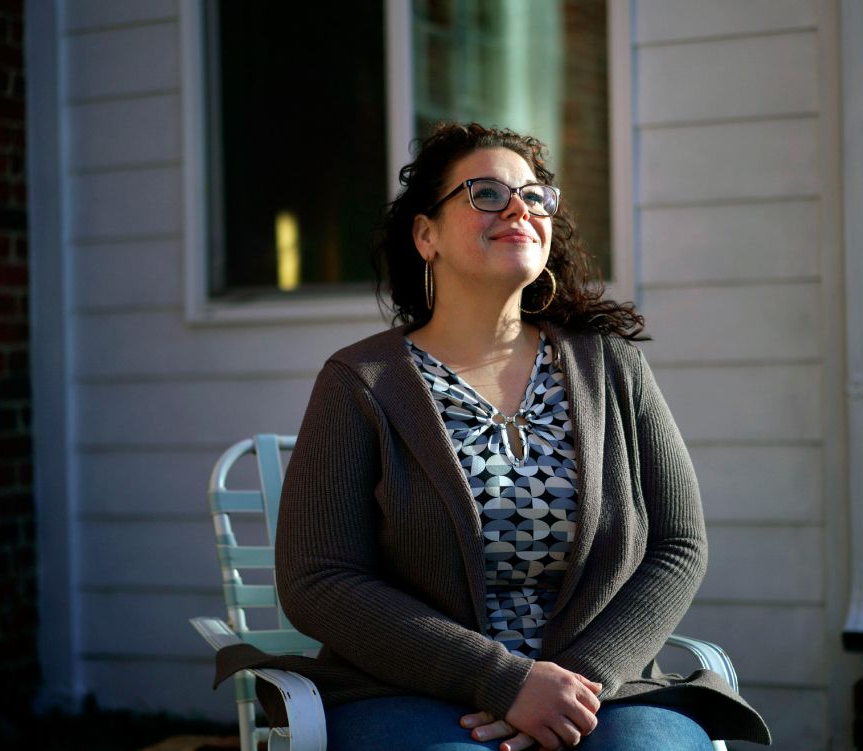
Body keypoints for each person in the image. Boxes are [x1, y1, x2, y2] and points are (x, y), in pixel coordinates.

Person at [219, 123, 771, 750]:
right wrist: (501, 680)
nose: (519, 208)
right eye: (485, 193)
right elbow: (318, 579)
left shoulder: (611, 367)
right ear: (426, 235)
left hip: (600, 693)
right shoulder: (362, 382)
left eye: (535, 197)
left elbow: (678, 544)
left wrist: (571, 688)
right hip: (413, 692)